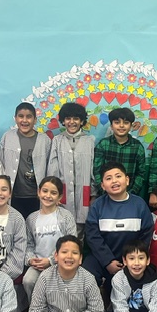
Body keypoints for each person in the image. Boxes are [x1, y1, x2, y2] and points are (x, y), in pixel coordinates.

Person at [83, 161, 154, 293]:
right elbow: (92, 236)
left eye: (118, 176)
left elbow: (146, 235)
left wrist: (130, 259)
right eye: (109, 178)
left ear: (127, 180)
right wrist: (108, 261)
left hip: (130, 257)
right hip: (101, 257)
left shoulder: (139, 204)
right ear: (103, 185)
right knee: (86, 275)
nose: (114, 181)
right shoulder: (97, 205)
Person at [23, 176, 77, 303]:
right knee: (28, 280)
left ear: (59, 197)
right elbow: (29, 244)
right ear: (39, 192)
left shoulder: (66, 216)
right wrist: (31, 260)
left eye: (53, 193)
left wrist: (51, 260)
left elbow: (73, 243)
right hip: (38, 264)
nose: (48, 196)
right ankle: (35, 309)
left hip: (61, 262)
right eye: (45, 191)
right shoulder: (31, 218)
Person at [47, 102, 95, 239]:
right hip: (63, 193)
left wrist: (93, 194)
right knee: (62, 229)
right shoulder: (57, 140)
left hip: (83, 193)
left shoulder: (89, 141)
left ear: (82, 121)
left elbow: (93, 169)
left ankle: (78, 253)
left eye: (76, 119)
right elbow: (52, 169)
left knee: (80, 231)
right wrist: (53, 193)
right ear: (63, 121)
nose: (72, 122)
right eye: (68, 118)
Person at [0, 102, 51, 220]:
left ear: (35, 119)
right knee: (15, 225)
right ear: (15, 118)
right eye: (21, 116)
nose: (24, 120)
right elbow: (2, 165)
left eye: (29, 117)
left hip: (36, 196)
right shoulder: (7, 137)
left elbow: (49, 169)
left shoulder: (45, 140)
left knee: (35, 225)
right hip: (14, 195)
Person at [92, 107, 146, 197]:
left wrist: (131, 193)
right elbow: (97, 171)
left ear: (131, 126)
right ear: (111, 126)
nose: (121, 126)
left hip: (129, 195)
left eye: (126, 123)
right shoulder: (103, 144)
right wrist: (104, 191)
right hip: (105, 195)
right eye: (117, 122)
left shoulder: (137, 147)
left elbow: (141, 174)